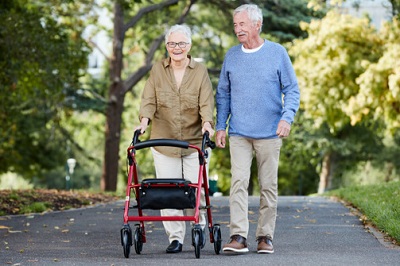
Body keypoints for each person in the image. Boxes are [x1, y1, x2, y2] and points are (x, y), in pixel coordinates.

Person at [215, 4, 300, 254]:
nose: (237, 29)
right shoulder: (231, 55)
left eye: (242, 24)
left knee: (267, 186)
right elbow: (223, 94)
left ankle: (265, 237)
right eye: (235, 25)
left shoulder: (277, 53)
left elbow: (292, 90)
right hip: (239, 132)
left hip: (269, 133)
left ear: (257, 25)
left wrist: (287, 118)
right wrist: (221, 126)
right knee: (238, 182)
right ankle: (238, 236)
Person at [135, 24, 215, 254]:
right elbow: (148, 99)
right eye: (172, 44)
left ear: (189, 45)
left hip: (193, 141)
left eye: (181, 43)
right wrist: (144, 122)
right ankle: (175, 238)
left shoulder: (199, 71)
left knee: (194, 189)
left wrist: (208, 124)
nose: (176, 48)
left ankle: (198, 229)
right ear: (167, 46)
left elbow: (206, 103)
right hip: (163, 140)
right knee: (169, 190)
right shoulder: (157, 70)